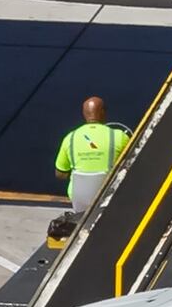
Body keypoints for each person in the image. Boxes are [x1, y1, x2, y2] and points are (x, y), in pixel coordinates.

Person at [48, 100, 123, 243]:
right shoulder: (119, 137)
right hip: (110, 200)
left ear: (84, 114)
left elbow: (60, 173)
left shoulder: (70, 138)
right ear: (103, 113)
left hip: (80, 201)